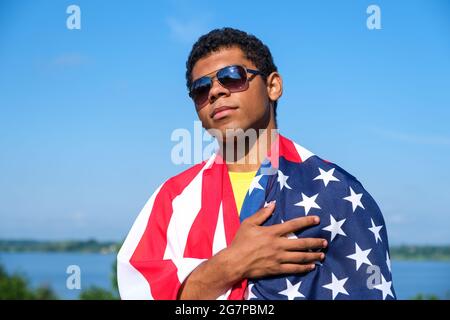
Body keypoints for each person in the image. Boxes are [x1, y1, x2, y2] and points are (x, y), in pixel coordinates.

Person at [117, 27, 395, 300]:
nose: (215, 91)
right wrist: (231, 264)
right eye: (200, 88)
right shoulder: (171, 199)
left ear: (273, 86)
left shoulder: (336, 192)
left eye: (231, 76)